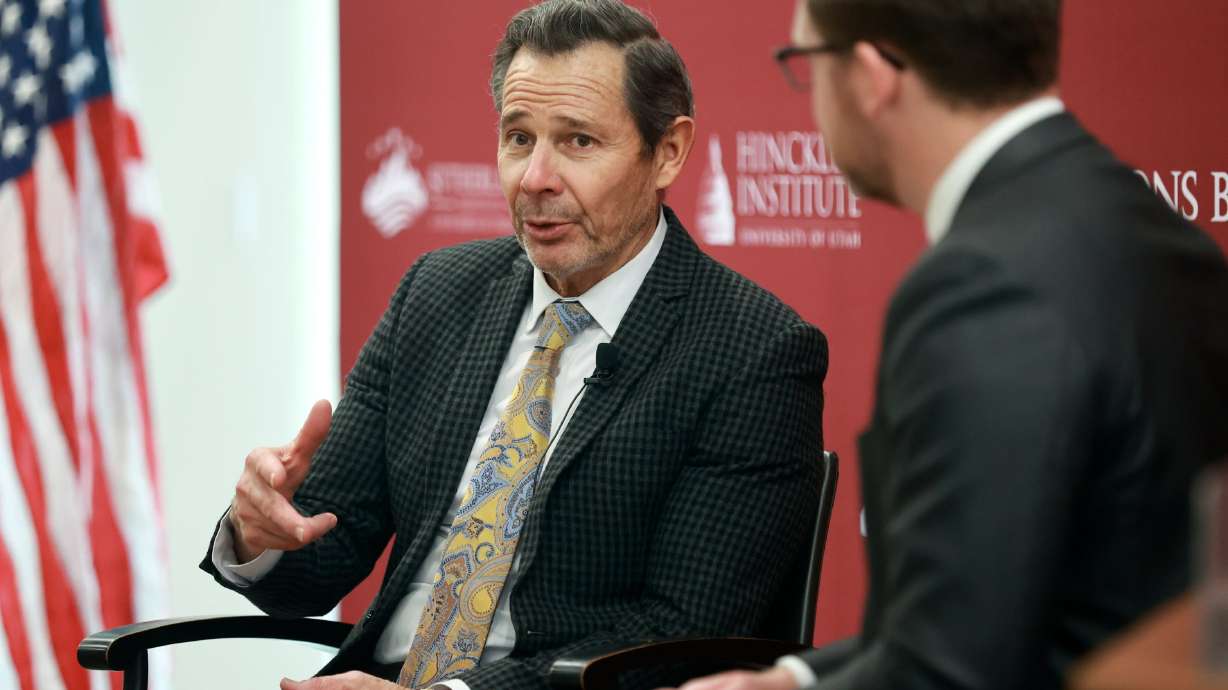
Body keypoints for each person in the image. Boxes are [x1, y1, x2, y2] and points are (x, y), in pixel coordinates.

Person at [200, 2, 829, 689]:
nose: (535, 178)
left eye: (579, 142)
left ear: (667, 152)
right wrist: (256, 534)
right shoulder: (436, 294)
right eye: (519, 138)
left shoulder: (754, 351)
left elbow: (680, 635)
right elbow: (319, 561)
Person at [676, 1, 1228, 689]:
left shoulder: (981, 284)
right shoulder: (1153, 229)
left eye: (806, 64)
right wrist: (792, 680)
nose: (811, 100)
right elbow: (1013, 607)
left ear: (872, 75)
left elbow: (950, 670)